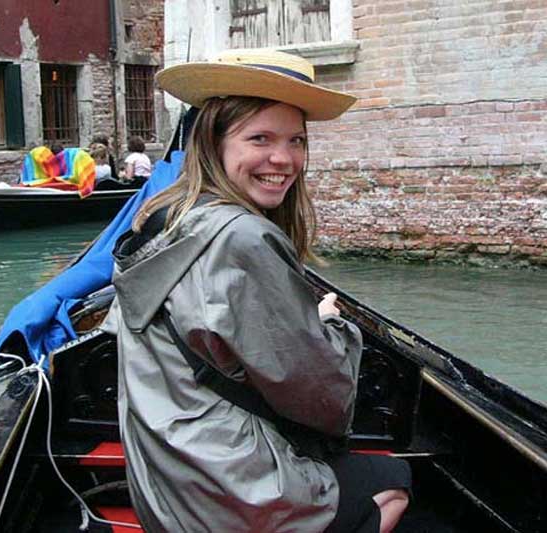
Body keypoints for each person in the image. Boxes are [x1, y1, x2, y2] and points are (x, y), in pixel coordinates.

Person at [101, 49, 411, 532]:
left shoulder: (165, 218)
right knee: (395, 479)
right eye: (260, 138)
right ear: (214, 143)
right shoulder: (243, 237)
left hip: (162, 481)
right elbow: (321, 398)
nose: (283, 159)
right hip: (227, 492)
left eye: (296, 141)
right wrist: (335, 329)